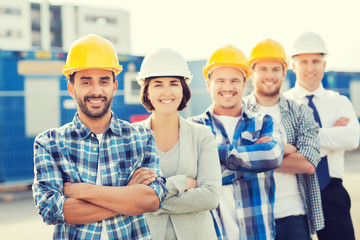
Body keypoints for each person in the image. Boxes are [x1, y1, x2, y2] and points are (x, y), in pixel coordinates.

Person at [32, 34, 168, 240]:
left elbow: (152, 200)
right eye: (86, 82)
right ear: (71, 88)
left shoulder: (142, 138)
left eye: (104, 81)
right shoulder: (50, 144)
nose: (96, 91)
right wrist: (128, 194)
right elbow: (52, 210)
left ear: (114, 86)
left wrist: (82, 190)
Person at [189, 45, 284, 240]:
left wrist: (213, 158)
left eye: (234, 81)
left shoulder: (263, 122)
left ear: (244, 83)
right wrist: (250, 160)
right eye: (220, 81)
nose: (227, 88)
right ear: (208, 84)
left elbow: (273, 156)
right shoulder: (193, 128)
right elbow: (189, 182)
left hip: (258, 234)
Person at [130, 48, 221, 240]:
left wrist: (149, 201)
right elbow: (125, 196)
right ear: (147, 91)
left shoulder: (202, 135)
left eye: (173, 83)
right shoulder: (130, 137)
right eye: (157, 84)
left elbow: (210, 196)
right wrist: (178, 183)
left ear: (183, 89)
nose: (166, 91)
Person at [243, 38, 324, 239]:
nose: (269, 75)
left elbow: (308, 163)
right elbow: (232, 158)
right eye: (263, 69)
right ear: (252, 73)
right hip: (251, 215)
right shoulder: (239, 112)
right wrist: (285, 148)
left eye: (275, 69)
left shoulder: (301, 112)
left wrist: (257, 155)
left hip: (293, 215)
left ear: (284, 73)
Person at [284, 31, 360, 240]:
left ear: (324, 65)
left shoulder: (339, 102)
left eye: (316, 61)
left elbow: (352, 138)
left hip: (332, 192)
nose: (310, 68)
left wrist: (302, 141)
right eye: (304, 61)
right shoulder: (283, 104)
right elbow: (279, 146)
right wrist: (332, 135)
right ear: (293, 65)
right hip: (294, 191)